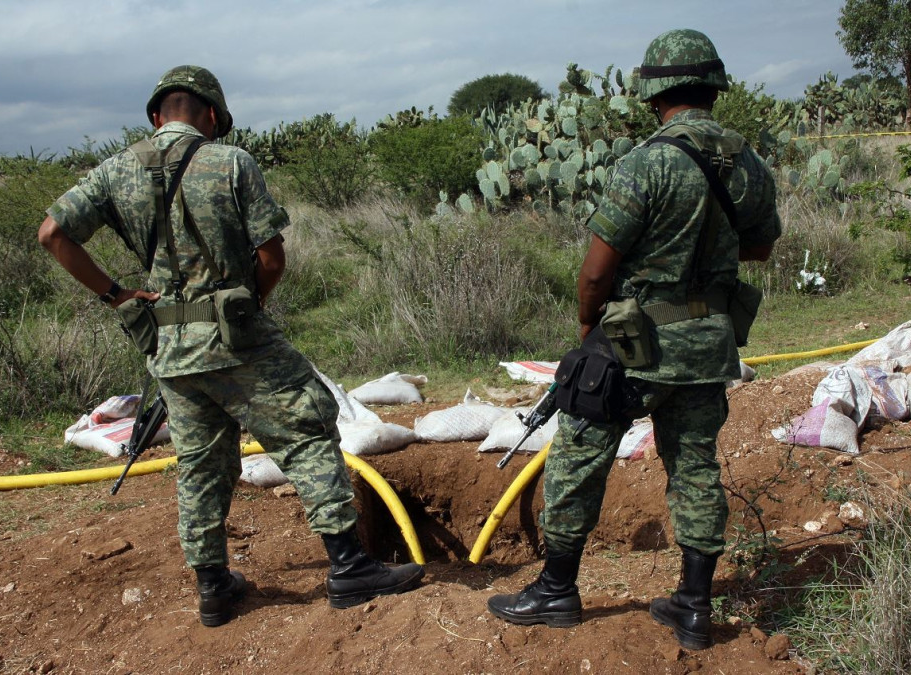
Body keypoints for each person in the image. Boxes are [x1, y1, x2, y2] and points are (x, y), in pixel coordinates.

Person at [38, 65, 424, 627]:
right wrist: (251, 305)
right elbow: (272, 257)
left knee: (199, 463)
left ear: (155, 116)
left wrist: (118, 294)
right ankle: (349, 568)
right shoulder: (232, 161)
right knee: (307, 428)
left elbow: (52, 233)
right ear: (213, 115)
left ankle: (213, 584)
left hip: (167, 348)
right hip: (238, 340)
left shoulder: (114, 172)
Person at [486, 29, 781, 650]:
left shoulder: (647, 161)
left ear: (654, 93)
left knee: (578, 456)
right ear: (712, 87)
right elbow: (759, 244)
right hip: (710, 343)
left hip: (636, 343)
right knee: (696, 465)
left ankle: (557, 590)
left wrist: (589, 332)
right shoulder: (749, 163)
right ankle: (694, 605)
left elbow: (597, 269)